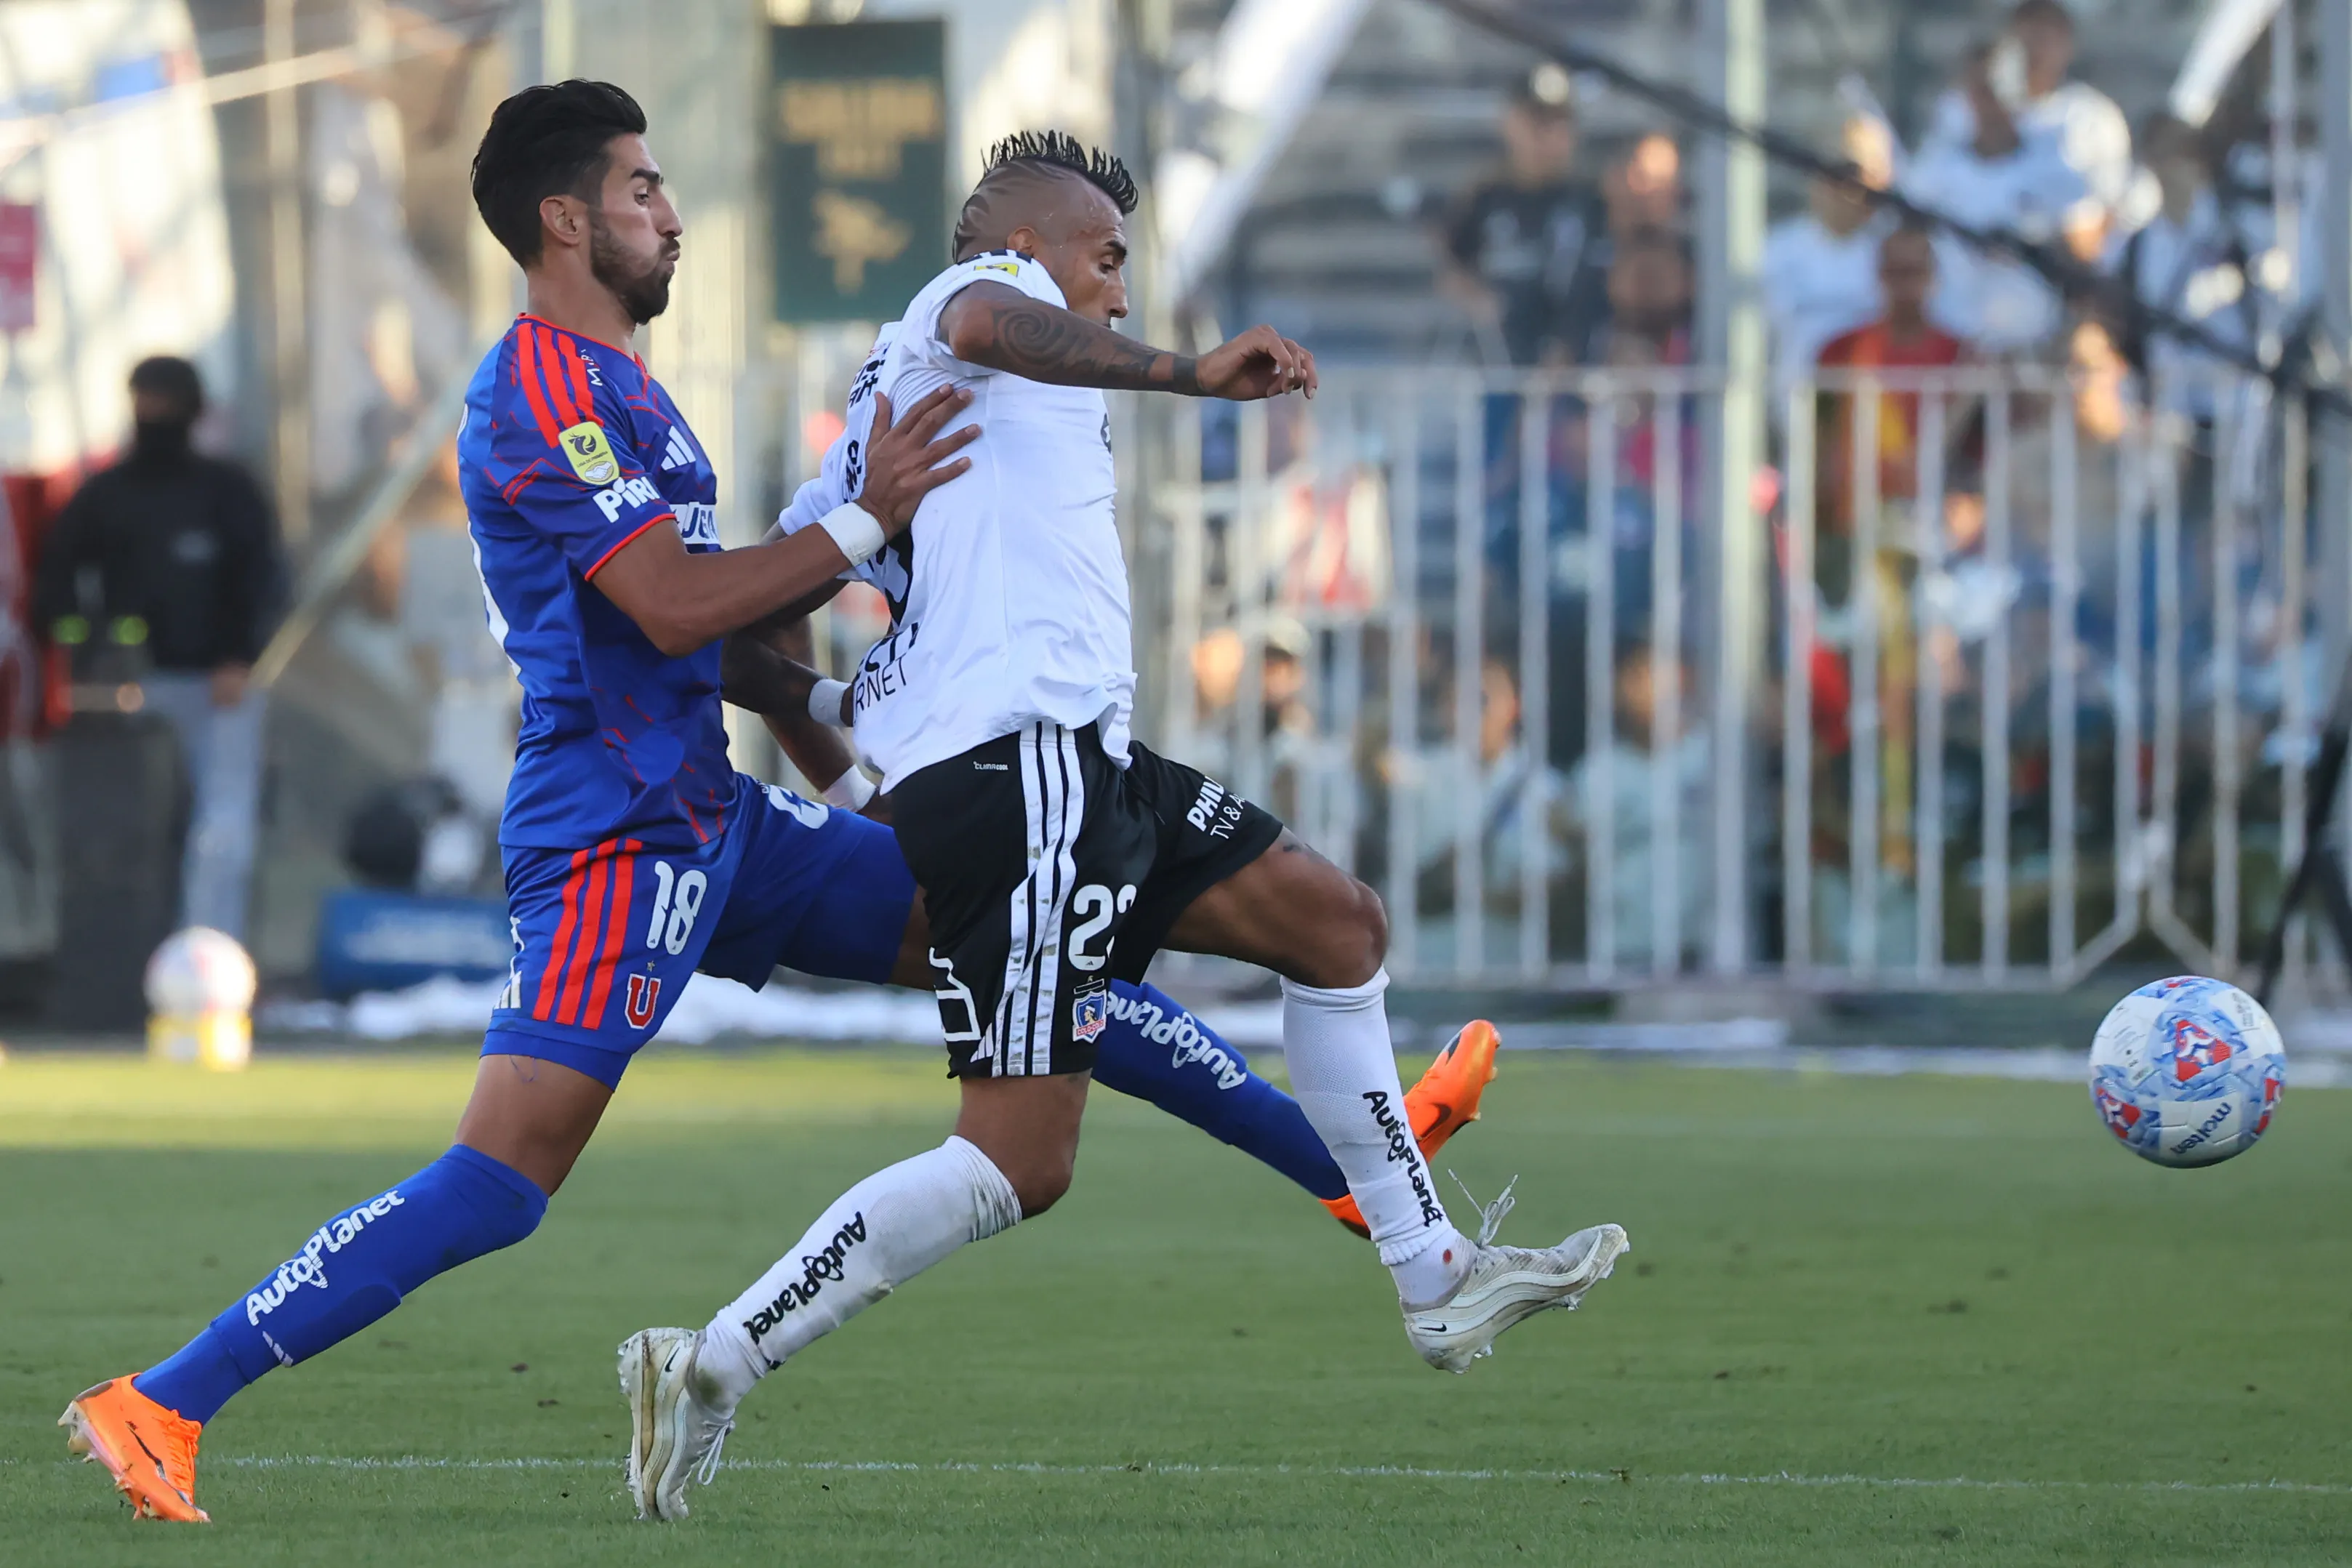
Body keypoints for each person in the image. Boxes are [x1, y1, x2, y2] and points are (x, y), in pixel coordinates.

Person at [54, 82, 1498, 1527]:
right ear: (567, 222)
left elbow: (736, 639)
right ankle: (165, 1396)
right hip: (617, 833)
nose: (672, 213)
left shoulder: (628, 389)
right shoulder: (539, 391)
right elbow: (678, 605)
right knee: (500, 1184)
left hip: (711, 811)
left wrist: (847, 742)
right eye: (641, 191)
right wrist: (859, 522)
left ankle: (1341, 1166)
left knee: (1016, 946)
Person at [617, 130, 1629, 1522]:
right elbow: (989, 316)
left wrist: (835, 733)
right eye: (1107, 261)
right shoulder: (965, 310)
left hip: (1083, 761)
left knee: (1337, 926)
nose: (1119, 294)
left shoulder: (878, 422)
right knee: (1020, 1161)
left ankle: (1434, 1275)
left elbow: (757, 616)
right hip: (1020, 772)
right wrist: (1187, 376)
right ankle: (714, 1358)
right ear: (1022, 245)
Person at [33, 355, 283, 938]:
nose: (155, 414)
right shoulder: (107, 495)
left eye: (165, 401)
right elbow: (58, 587)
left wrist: (239, 657)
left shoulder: (228, 491)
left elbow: (264, 581)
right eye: (146, 400)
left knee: (221, 833)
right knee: (121, 832)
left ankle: (207, 959)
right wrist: (90, 656)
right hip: (131, 689)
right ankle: (120, 960)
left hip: (219, 686)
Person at [1438, 63, 1610, 366]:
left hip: (1578, 365)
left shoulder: (1592, 201)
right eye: (1536, 121)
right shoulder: (1485, 198)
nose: (1545, 135)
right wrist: (1478, 300)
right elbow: (1455, 266)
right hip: (1501, 361)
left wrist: (1570, 343)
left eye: (1558, 122)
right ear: (1511, 124)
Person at [1761, 116, 1897, 396]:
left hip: (1881, 413)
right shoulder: (1777, 251)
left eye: (1857, 175)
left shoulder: (1899, 255)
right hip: (1796, 414)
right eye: (1835, 174)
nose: (1845, 188)